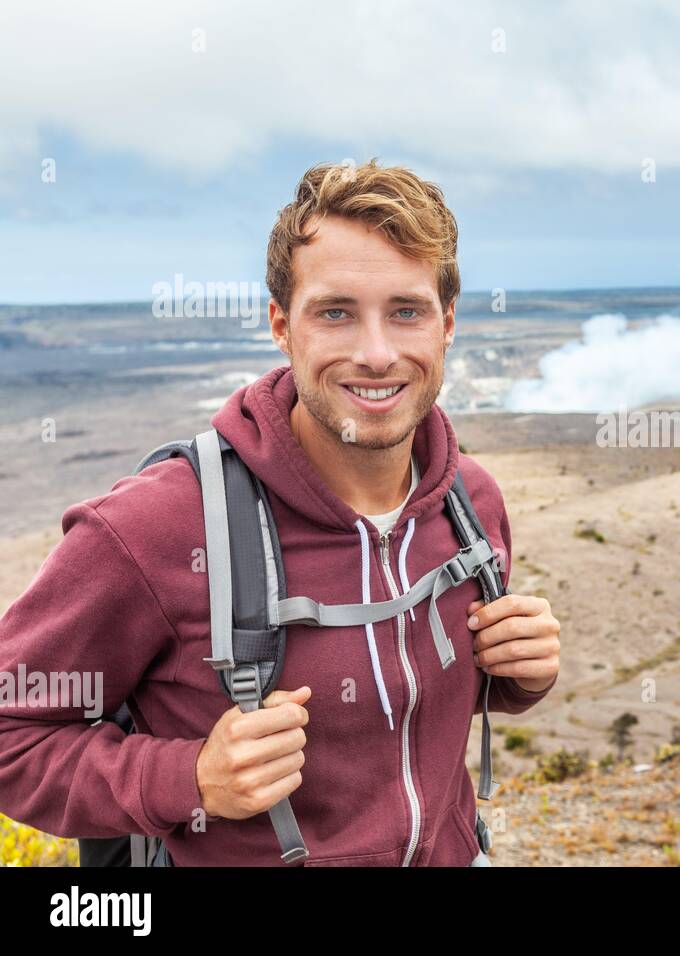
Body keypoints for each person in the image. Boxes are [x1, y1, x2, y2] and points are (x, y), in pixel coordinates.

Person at [0, 159, 560, 866]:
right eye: (335, 312)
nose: (377, 353)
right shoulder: (155, 527)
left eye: (406, 311)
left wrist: (516, 680)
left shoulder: (469, 501)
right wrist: (189, 778)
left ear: (447, 324)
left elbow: (410, 707)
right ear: (280, 325)